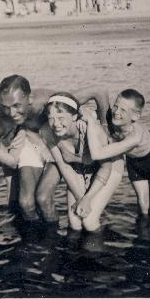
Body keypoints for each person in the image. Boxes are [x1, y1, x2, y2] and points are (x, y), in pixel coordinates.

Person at [0, 75, 110, 223]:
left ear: (29, 99)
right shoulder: (1, 101)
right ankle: (35, 241)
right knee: (26, 203)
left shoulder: (48, 101)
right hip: (33, 142)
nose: (11, 113)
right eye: (6, 108)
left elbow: (99, 91)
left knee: (43, 198)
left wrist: (106, 127)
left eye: (16, 106)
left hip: (56, 145)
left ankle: (52, 239)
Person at [81, 89, 150, 227]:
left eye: (123, 110)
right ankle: (143, 238)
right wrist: (84, 115)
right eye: (116, 106)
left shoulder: (135, 136)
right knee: (143, 204)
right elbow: (86, 103)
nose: (116, 111)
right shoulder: (112, 120)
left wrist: (91, 121)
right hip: (135, 162)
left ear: (135, 116)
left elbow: (97, 154)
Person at [39, 92, 124, 232]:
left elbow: (105, 167)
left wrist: (88, 198)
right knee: (75, 222)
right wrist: (81, 199)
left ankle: (101, 252)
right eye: (51, 118)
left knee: (89, 222)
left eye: (61, 117)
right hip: (78, 168)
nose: (56, 124)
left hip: (109, 167)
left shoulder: (92, 130)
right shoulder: (47, 132)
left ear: (73, 116)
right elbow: (64, 167)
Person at [0, 96, 51, 221]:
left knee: (28, 202)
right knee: (15, 205)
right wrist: (10, 200)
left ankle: (41, 229)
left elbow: (12, 163)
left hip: (32, 150)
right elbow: (4, 165)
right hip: (13, 156)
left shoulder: (9, 129)